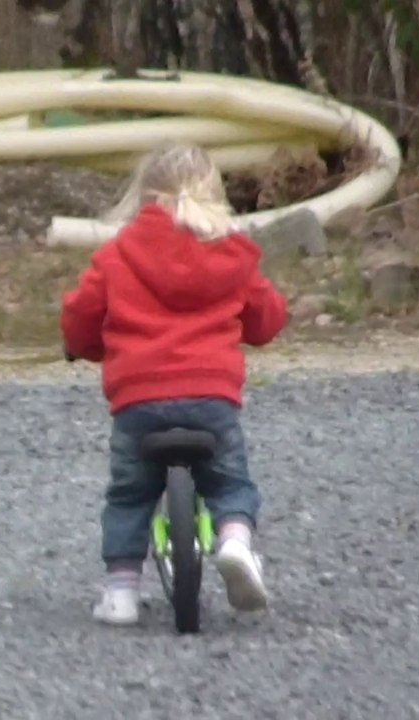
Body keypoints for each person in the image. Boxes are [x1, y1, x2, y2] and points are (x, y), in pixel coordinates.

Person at [59, 144, 289, 626]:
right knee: (229, 482)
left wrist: (83, 346)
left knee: (129, 494)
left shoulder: (117, 254)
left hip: (138, 401)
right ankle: (234, 542)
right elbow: (266, 320)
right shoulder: (232, 254)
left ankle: (120, 592)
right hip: (212, 398)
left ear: (144, 196)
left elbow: (81, 316)